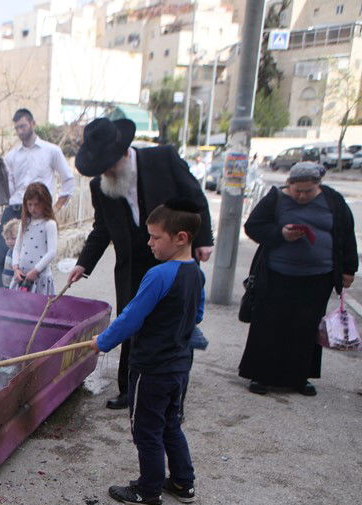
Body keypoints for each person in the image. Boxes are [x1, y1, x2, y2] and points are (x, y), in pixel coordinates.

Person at [67, 118, 214, 409]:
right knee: (131, 321)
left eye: (109, 165)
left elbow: (195, 199)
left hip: (174, 255)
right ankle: (130, 388)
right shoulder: (101, 186)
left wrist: (202, 240)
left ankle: (173, 386)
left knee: (174, 321)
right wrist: (83, 263)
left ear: (123, 153)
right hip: (132, 263)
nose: (106, 173)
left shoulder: (163, 159)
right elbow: (101, 229)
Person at [91, 199, 206, 505]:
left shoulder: (159, 275)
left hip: (151, 368)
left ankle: (148, 490)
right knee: (171, 424)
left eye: (156, 237)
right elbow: (197, 314)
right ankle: (183, 482)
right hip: (179, 365)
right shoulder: (196, 273)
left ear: (180, 237)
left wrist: (102, 341)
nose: (149, 243)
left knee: (146, 429)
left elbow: (131, 317)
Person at [238, 161, 357, 395]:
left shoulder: (333, 201)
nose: (302, 196)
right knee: (270, 326)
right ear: (289, 184)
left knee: (305, 329)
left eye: (308, 191)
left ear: (318, 186)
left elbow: (345, 234)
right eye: (297, 191)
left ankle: (299, 378)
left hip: (317, 277)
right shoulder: (276, 198)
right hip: (276, 275)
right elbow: (253, 226)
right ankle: (261, 376)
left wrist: (348, 269)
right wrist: (281, 234)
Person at [0, 108, 74, 287]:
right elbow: (7, 190)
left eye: (23, 126)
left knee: (35, 259)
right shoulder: (11, 156)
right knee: (0, 257)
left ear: (33, 123)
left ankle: (31, 301)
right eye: (17, 128)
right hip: (15, 208)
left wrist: (55, 208)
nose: (20, 131)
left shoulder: (52, 151)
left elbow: (68, 180)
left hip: (39, 212)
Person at [11, 182, 59, 295]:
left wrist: (35, 271)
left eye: (37, 204)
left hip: (39, 278)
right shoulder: (25, 223)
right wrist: (16, 269)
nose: (33, 208)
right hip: (21, 278)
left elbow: (52, 252)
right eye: (30, 204)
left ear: (45, 203)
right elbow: (17, 248)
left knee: (39, 310)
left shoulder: (49, 224)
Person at [2, 218, 20, 288]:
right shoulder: (9, 252)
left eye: (13, 238)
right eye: (7, 238)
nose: (9, 241)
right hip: (8, 287)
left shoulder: (21, 254)